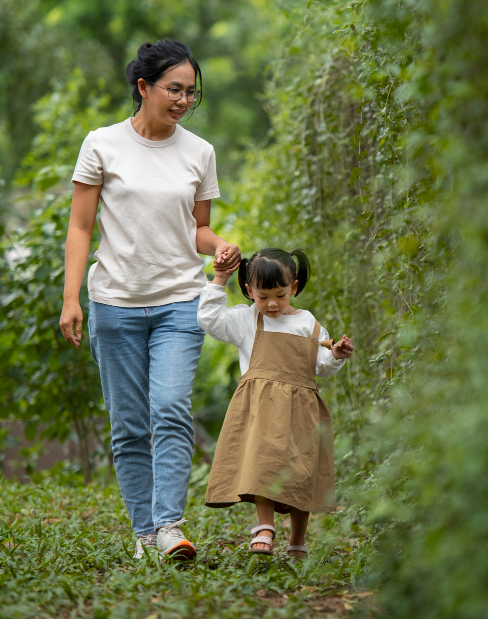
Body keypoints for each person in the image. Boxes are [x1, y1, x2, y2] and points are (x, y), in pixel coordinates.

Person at [59, 39, 241, 561]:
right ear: (143, 87)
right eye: (174, 89)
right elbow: (79, 226)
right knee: (131, 423)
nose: (183, 100)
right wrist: (71, 298)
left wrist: (220, 247)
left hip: (180, 301)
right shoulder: (102, 144)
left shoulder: (199, 152)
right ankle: (144, 533)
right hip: (114, 302)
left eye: (191, 92)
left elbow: (199, 228)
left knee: (169, 408)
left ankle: (169, 526)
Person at [197, 248, 354, 558]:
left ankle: (297, 540)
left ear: (293, 288)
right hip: (261, 410)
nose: (271, 304)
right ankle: (264, 527)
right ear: (249, 291)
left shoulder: (308, 323)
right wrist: (218, 280)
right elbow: (209, 318)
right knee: (262, 465)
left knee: (301, 471)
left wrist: (335, 355)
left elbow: (321, 365)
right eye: (263, 296)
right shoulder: (246, 319)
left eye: (280, 296)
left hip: (302, 410)